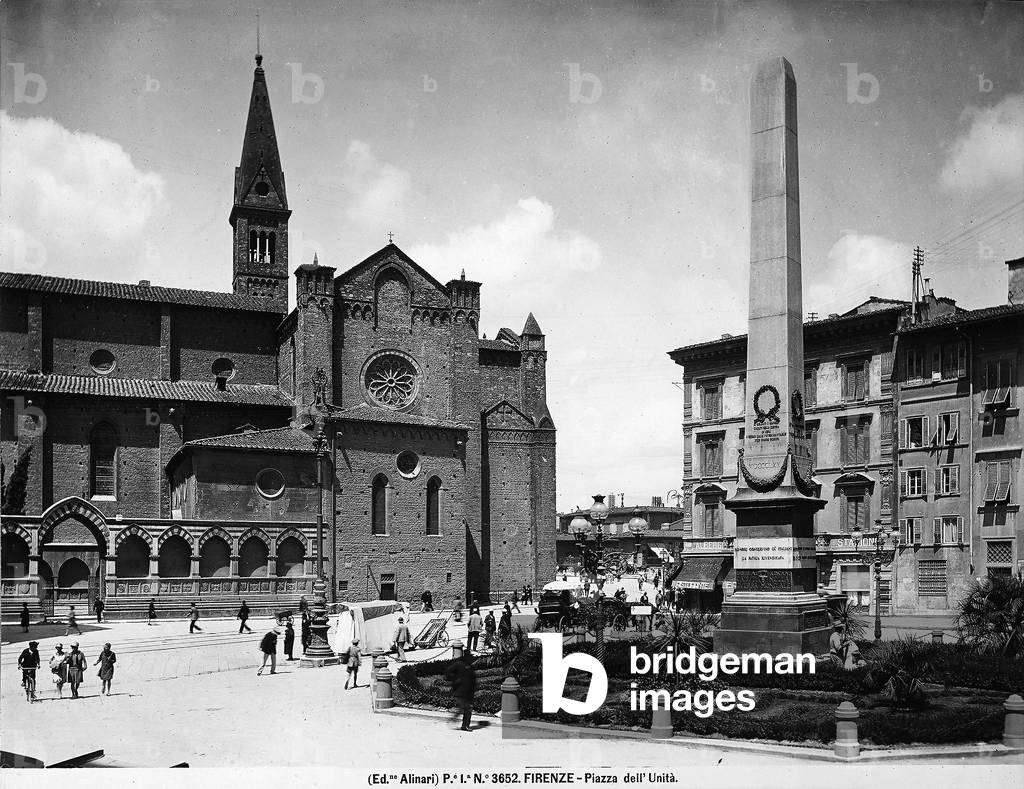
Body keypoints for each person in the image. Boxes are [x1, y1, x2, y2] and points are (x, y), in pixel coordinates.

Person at [444, 652, 477, 731]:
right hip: (459, 690)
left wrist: (474, 690)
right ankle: (463, 724)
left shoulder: (470, 667)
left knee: (468, 708)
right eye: (469, 658)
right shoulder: (458, 665)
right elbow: (447, 672)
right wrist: (455, 680)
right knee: (466, 707)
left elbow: (473, 680)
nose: (471, 659)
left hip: (469, 692)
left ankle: (464, 725)